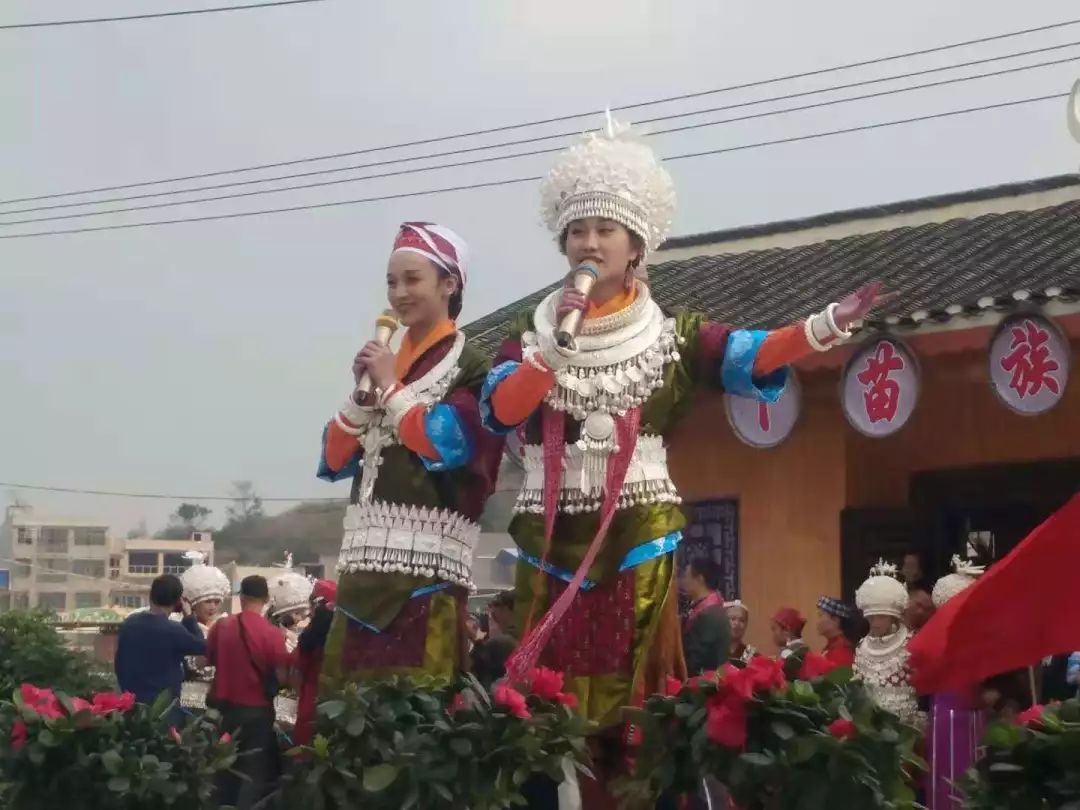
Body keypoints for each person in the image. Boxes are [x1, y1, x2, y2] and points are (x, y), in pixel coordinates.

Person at [478, 116, 884, 738]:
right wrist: (551, 355)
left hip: (637, 527)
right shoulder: (530, 338)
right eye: (577, 231)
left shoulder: (670, 336)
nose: (589, 242)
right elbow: (503, 409)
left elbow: (752, 353)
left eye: (604, 229)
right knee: (545, 690)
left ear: (635, 245)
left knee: (632, 684)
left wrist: (824, 325)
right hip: (548, 532)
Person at [317, 222, 504, 687]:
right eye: (391, 282)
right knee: (347, 723)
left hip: (426, 579)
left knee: (415, 713)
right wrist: (362, 397)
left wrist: (391, 388)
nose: (399, 293)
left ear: (450, 283)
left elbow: (448, 443)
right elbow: (334, 459)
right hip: (360, 581)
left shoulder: (473, 366)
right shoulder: (384, 366)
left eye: (412, 279)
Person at [207, 575, 290, 810]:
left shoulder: (221, 627)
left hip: (225, 712)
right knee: (253, 772)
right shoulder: (273, 634)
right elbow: (283, 676)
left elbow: (208, 659)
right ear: (266, 600)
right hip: (258, 712)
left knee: (224, 770)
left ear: (241, 597)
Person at [924, 557, 987, 810]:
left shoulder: (980, 636)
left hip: (972, 712)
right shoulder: (933, 635)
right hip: (942, 713)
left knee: (972, 772)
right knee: (942, 772)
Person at [115, 574, 205, 720]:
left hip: (132, 704)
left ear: (151, 596)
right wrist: (189, 617)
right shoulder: (173, 631)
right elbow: (201, 646)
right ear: (177, 602)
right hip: (164, 709)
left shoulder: (129, 624)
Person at [854, 561, 920, 726]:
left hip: (908, 730)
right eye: (871, 618)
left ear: (894, 617)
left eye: (881, 617)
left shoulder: (914, 645)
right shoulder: (861, 647)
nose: (875, 623)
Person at [178, 552, 231, 711]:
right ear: (193, 603)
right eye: (208, 601)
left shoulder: (226, 626)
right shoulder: (179, 626)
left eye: (216, 602)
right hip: (187, 700)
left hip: (217, 701)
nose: (213, 607)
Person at [267, 568, 314, 731]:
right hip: (279, 699)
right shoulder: (275, 635)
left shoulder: (294, 634)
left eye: (303, 614)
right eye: (296, 613)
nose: (299, 618)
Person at [293, 579, 337, 747]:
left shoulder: (310, 637)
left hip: (311, 700)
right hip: (336, 703)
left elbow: (297, 665)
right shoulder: (344, 636)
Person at [680, 559, 731, 675]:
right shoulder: (711, 608)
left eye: (686, 577)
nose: (683, 582)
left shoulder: (708, 614)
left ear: (699, 579)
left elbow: (696, 661)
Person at [816, 596, 857, 668]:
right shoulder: (832, 646)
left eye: (820, 615)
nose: (817, 622)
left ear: (835, 620)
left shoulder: (842, 650)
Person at [725, 600, 758, 666]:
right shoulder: (712, 652)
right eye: (732, 619)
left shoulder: (749, 653)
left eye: (742, 620)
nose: (737, 623)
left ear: (746, 625)